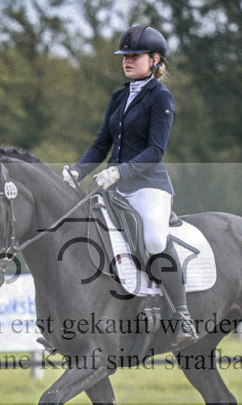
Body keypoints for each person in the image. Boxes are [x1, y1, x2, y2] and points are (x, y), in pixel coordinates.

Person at [65, 25, 198, 348]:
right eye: (125, 56)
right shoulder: (119, 96)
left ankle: (182, 316)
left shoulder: (161, 97)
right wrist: (78, 171)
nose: (127, 61)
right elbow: (101, 144)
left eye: (134, 56)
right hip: (114, 187)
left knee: (153, 239)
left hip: (147, 187)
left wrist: (121, 172)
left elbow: (155, 151)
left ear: (155, 60)